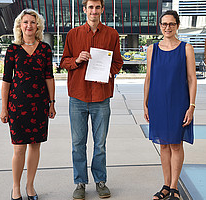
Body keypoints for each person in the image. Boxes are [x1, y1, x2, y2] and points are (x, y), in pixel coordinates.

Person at [60, 0, 123, 199]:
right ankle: (80, 183)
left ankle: (100, 181)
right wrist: (77, 60)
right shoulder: (73, 34)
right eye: (90, 7)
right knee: (78, 143)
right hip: (78, 97)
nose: (94, 11)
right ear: (85, 10)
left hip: (101, 97)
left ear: (102, 10)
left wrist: (109, 72)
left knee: (100, 144)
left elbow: (118, 62)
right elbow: (63, 61)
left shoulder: (112, 34)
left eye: (97, 7)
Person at [0, 9, 56, 200]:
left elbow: (49, 77)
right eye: (25, 22)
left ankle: (30, 186)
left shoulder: (45, 49)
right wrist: (4, 107)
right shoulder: (13, 49)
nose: (29, 25)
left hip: (40, 105)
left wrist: (52, 103)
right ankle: (15, 187)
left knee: (35, 146)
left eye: (33, 22)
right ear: (20, 26)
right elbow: (6, 80)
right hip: (17, 106)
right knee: (18, 148)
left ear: (37, 25)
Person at [143, 10, 197, 200]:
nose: (167, 27)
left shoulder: (186, 48)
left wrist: (191, 106)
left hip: (179, 102)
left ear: (177, 25)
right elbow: (148, 78)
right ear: (160, 26)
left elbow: (191, 79)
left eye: (171, 24)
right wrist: (145, 104)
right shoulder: (152, 49)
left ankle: (174, 187)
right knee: (163, 145)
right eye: (164, 24)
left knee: (175, 144)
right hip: (157, 102)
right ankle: (166, 185)